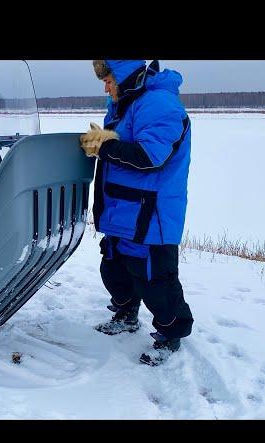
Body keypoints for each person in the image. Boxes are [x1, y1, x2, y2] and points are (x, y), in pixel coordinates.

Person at [79, 60, 194, 366]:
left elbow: (150, 155)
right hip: (123, 209)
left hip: (150, 214)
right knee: (115, 268)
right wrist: (106, 142)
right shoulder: (124, 103)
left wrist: (105, 146)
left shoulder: (160, 103)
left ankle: (172, 334)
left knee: (156, 280)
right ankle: (126, 313)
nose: (106, 87)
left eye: (109, 79)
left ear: (126, 75)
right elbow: (122, 146)